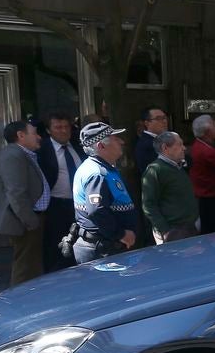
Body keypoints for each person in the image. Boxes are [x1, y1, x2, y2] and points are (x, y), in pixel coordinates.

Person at [0, 120, 49, 286]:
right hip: (23, 221)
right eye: (34, 133)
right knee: (25, 266)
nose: (38, 137)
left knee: (31, 264)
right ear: (21, 135)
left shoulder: (22, 154)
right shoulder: (12, 155)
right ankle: (20, 304)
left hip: (30, 218)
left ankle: (29, 299)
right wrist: (30, 221)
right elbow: (16, 193)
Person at [72, 123, 137, 264]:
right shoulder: (97, 174)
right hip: (103, 250)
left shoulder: (100, 168)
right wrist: (121, 234)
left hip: (105, 246)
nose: (121, 141)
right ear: (101, 146)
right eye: (115, 138)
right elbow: (97, 210)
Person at [36, 111, 85, 272]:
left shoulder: (78, 147)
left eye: (66, 127)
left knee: (79, 244)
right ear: (49, 130)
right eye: (58, 127)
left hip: (79, 205)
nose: (63, 131)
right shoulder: (42, 150)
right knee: (56, 247)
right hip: (55, 205)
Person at [141, 131, 199, 244]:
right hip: (173, 231)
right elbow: (148, 204)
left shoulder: (178, 167)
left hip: (188, 228)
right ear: (165, 147)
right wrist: (165, 230)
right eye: (179, 144)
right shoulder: (155, 170)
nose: (184, 148)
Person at [188, 114, 215, 234]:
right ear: (208, 132)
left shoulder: (201, 145)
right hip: (210, 195)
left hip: (205, 193)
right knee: (214, 230)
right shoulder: (206, 151)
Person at [134, 106, 169, 180]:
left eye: (164, 118)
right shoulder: (146, 144)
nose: (164, 121)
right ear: (147, 123)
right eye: (158, 118)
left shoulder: (165, 138)